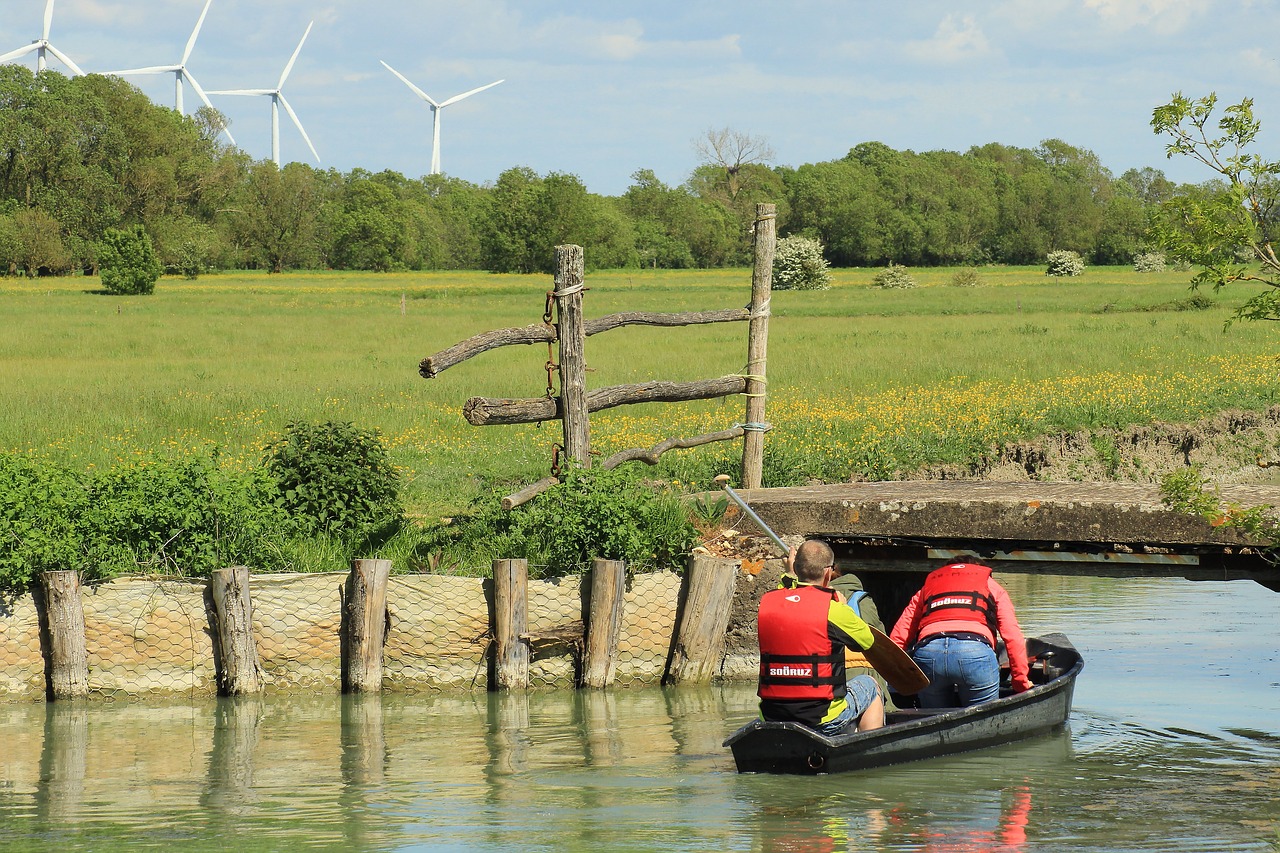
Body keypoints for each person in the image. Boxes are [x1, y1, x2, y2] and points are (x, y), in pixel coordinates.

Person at [757, 539, 885, 734]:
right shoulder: (833, 609)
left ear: (797, 568)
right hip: (823, 718)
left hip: (771, 715)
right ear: (828, 572)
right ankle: (865, 747)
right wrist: (843, 606)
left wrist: (789, 574)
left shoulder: (768, 604)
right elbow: (867, 641)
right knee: (870, 685)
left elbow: (790, 595)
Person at [889, 557, 1034, 708]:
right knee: (983, 721)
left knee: (932, 721)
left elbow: (898, 637)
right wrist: (1020, 682)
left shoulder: (928, 588)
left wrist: (894, 678)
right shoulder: (991, 585)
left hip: (929, 653)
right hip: (974, 652)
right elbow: (1013, 637)